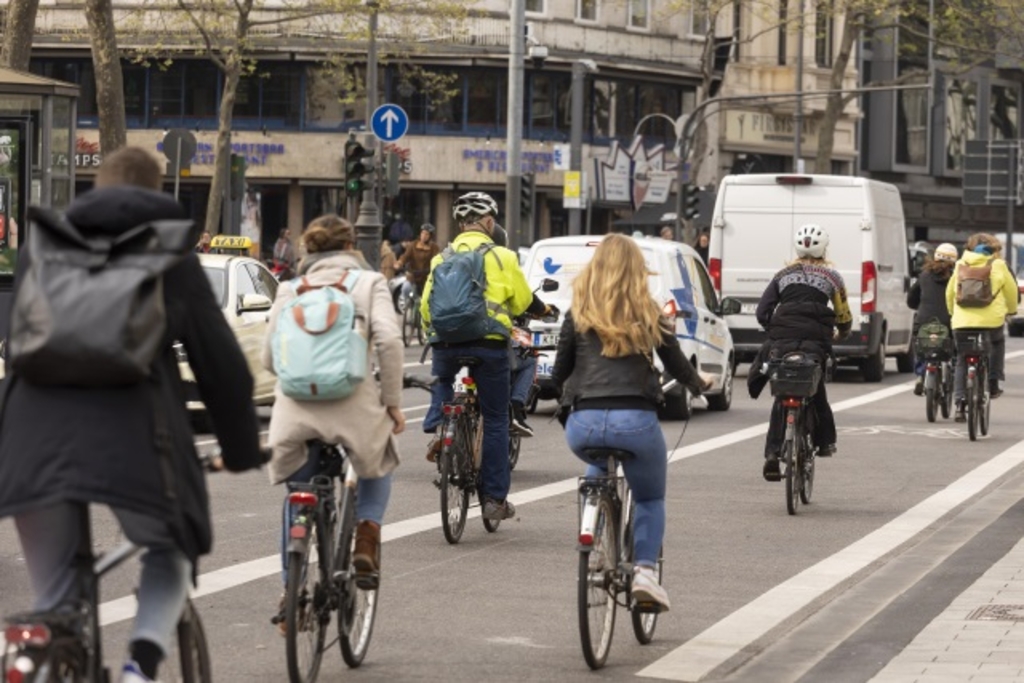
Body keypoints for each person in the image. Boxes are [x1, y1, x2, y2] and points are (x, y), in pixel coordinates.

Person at [0, 146, 264, 683]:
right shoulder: (171, 255)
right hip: (137, 441)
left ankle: (45, 653)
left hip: (29, 437)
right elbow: (223, 367)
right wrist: (238, 448)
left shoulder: (42, 247)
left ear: (95, 187)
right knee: (171, 549)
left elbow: (15, 341)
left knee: (53, 599)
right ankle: (139, 667)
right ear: (158, 190)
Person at [550, 234, 710, 611]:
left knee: (597, 463)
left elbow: (559, 370)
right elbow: (675, 362)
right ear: (636, 270)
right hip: (635, 422)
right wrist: (698, 385)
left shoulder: (579, 312)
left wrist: (549, 395)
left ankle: (595, 521)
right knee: (651, 497)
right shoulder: (647, 310)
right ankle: (644, 573)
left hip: (584, 424)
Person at [262, 215, 404, 623]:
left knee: (298, 494)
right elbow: (391, 342)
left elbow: (270, 357)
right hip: (352, 404)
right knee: (381, 460)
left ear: (308, 249)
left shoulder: (289, 288)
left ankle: (292, 594)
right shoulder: (369, 283)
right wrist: (392, 404)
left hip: (295, 411)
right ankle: (367, 535)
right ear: (350, 246)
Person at [420, 192, 550, 521]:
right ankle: (494, 499)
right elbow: (521, 302)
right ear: (489, 222)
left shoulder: (441, 258)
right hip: (489, 345)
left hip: (445, 344)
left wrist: (432, 333)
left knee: (444, 379)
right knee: (495, 420)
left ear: (461, 224)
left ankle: (440, 420)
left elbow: (425, 307)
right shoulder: (503, 256)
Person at [753, 224, 852, 482]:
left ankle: (773, 454)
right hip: (815, 342)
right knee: (815, 391)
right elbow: (843, 315)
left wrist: (775, 330)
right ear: (824, 249)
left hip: (782, 341)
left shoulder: (782, 275)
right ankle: (825, 442)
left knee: (782, 391)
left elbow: (762, 311)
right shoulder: (833, 278)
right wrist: (841, 333)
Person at [946, 233, 1017, 418]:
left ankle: (960, 404)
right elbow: (1011, 292)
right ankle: (993, 382)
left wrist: (953, 313)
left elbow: (949, 294)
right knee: (997, 343)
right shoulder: (999, 265)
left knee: (962, 358)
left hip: (962, 322)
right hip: (991, 321)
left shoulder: (960, 264)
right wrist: (1011, 310)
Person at [907, 243, 957, 395]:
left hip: (924, 320)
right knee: (952, 348)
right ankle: (952, 371)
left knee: (922, 344)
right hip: (948, 321)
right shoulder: (956, 276)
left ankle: (921, 374)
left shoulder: (924, 275)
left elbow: (911, 300)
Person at [396, 223, 441, 298]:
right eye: (422, 233)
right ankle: (407, 307)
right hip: (413, 276)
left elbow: (437, 259)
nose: (424, 236)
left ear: (430, 236)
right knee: (405, 289)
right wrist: (400, 262)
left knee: (431, 296)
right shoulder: (413, 245)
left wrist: (437, 268)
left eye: (426, 234)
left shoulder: (434, 247)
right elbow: (405, 256)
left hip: (427, 278)